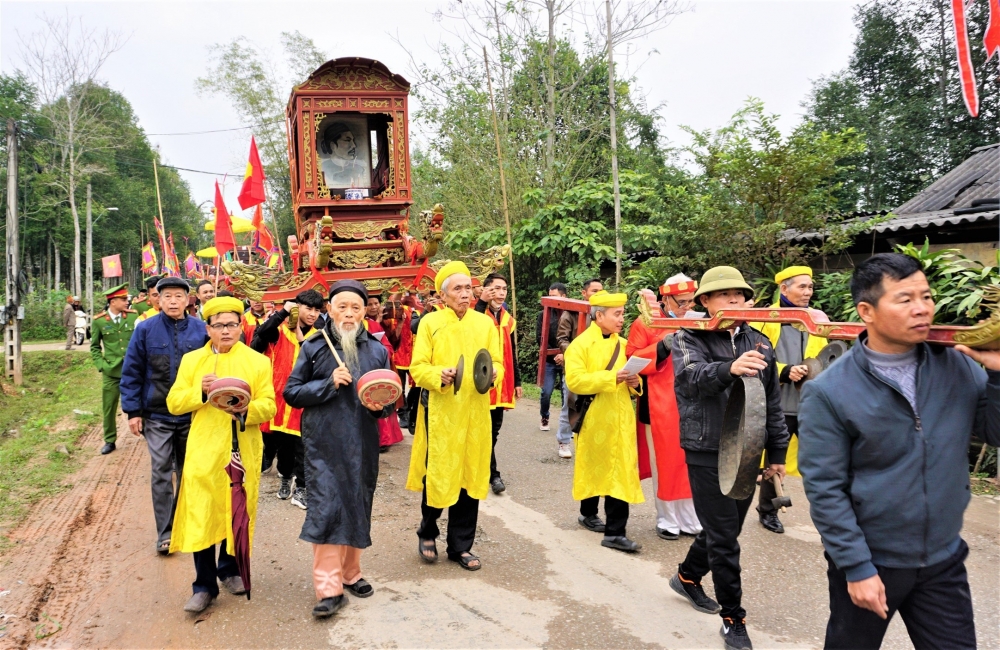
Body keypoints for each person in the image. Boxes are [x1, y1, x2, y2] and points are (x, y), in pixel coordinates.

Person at [798, 253, 1000, 650]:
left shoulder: (957, 366)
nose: (922, 308)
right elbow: (825, 488)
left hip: (942, 558)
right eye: (905, 299)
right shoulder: (830, 392)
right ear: (866, 311)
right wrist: (856, 567)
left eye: (926, 296)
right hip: (872, 561)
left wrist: (997, 373)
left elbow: (994, 432)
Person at [669, 266, 788, 650]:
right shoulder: (688, 336)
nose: (735, 301)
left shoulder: (760, 341)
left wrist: (778, 452)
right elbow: (690, 377)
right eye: (725, 295)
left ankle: (687, 576)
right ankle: (733, 619)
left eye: (740, 294)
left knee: (727, 529)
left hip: (748, 450)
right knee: (725, 538)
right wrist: (728, 368)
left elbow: (772, 404)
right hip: (706, 448)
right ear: (705, 301)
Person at [283, 281, 395, 618]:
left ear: (365, 312)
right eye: (342, 306)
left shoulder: (378, 349)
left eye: (356, 308)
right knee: (328, 509)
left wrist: (380, 406)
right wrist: (327, 384)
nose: (349, 313)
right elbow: (291, 392)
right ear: (329, 309)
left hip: (362, 443)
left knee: (358, 505)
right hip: (323, 444)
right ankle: (329, 587)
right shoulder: (314, 346)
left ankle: (351, 573)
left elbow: (388, 401)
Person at [166, 296, 276, 614]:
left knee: (236, 511)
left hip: (242, 448)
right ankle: (203, 585)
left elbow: (269, 404)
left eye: (232, 324)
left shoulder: (258, 362)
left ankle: (230, 569)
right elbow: (174, 402)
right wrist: (199, 391)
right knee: (201, 513)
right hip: (203, 449)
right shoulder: (192, 362)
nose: (226, 331)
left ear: (241, 327)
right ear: (207, 328)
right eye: (218, 325)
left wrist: (245, 409)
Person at [406, 261, 502, 571]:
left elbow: (496, 363)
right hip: (442, 411)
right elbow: (417, 368)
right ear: (443, 295)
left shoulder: (485, 324)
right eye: (457, 289)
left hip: (475, 410)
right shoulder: (430, 323)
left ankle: (460, 546)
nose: (465, 294)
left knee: (470, 474)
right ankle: (428, 532)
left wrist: (494, 375)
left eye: (467, 288)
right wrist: (439, 374)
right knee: (439, 472)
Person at [120, 276, 209, 555]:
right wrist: (133, 411)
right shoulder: (145, 330)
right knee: (160, 471)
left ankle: (184, 525)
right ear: (157, 299)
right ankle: (166, 531)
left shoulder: (201, 330)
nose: (173, 301)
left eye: (178, 296)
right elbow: (132, 371)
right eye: (167, 296)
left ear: (188, 300)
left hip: (192, 414)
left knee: (189, 472)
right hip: (156, 415)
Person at [565, 290, 644, 552]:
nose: (622, 319)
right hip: (595, 418)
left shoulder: (623, 345)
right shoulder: (579, 345)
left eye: (622, 314)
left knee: (617, 472)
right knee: (594, 466)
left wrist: (635, 382)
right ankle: (590, 515)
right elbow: (575, 381)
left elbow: (633, 382)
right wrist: (612, 378)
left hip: (621, 417)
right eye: (617, 314)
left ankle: (614, 531)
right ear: (599, 316)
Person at [751, 265, 826, 535]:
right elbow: (754, 359)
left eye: (810, 287)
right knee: (775, 461)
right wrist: (784, 369)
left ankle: (830, 513)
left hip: (810, 403)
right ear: (784, 289)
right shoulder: (765, 320)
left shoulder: (817, 319)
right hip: (777, 404)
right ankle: (768, 510)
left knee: (823, 460)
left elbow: (828, 355)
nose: (808, 292)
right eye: (802, 287)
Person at [626, 275, 701, 541]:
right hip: (658, 403)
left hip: (693, 400)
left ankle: (691, 517)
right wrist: (662, 345)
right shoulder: (646, 322)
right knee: (664, 463)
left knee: (692, 461)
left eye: (692, 301)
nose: (687, 307)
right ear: (666, 299)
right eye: (681, 302)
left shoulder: (699, 320)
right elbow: (631, 358)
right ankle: (667, 518)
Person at [250, 290, 325, 510]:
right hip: (280, 400)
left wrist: (304, 341)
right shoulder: (278, 331)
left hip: (305, 398)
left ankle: (301, 488)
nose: (312, 314)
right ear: (296, 306)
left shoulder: (319, 336)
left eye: (316, 310)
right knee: (284, 446)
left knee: (305, 446)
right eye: (307, 308)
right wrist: (282, 312)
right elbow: (259, 338)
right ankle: (285, 477)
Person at [475, 273, 522, 495]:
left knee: (493, 431)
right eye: (495, 288)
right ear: (485, 290)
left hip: (502, 382)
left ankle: (485, 467)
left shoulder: (508, 319)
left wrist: (518, 381)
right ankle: (494, 475)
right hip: (480, 381)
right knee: (483, 430)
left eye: (504, 288)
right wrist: (481, 302)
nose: (501, 292)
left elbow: (512, 352)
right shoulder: (476, 312)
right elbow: (470, 329)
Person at [554, 278, 604, 458]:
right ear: (584, 293)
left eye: (601, 291)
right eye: (594, 291)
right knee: (571, 405)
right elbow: (561, 339)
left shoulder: (604, 313)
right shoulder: (571, 312)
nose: (598, 294)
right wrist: (576, 353)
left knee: (597, 406)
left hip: (598, 367)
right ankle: (564, 441)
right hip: (576, 367)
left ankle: (591, 442)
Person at [90, 284, 139, 456]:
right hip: (111, 371)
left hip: (133, 370)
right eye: (124, 299)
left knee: (143, 402)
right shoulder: (99, 321)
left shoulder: (133, 318)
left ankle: (149, 432)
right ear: (113, 301)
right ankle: (109, 440)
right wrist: (101, 365)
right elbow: (95, 347)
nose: (127, 302)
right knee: (109, 407)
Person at [362, 294, 404, 452]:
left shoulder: (374, 325)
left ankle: (384, 440)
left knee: (380, 403)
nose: (373, 307)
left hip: (376, 370)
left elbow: (388, 346)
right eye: (369, 304)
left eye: (376, 303)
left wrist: (375, 354)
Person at [536, 282, 567, 432]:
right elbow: (539, 338)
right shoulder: (543, 315)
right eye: (549, 296)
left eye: (554, 296)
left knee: (566, 394)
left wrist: (564, 354)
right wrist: (553, 354)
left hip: (567, 359)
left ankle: (565, 423)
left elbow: (575, 338)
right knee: (546, 392)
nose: (551, 299)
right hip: (549, 360)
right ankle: (544, 416)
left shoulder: (572, 313)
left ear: (564, 296)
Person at [319, 122, 367, 188]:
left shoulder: (359, 169)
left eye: (353, 140)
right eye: (347, 140)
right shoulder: (322, 168)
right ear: (332, 145)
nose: (354, 145)